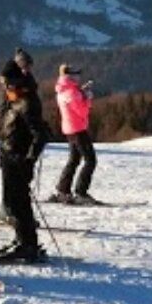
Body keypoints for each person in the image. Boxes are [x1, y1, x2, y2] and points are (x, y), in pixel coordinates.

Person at [0, 73, 51, 263]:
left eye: (9, 88)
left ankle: (28, 244)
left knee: (20, 203)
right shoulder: (16, 101)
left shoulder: (27, 104)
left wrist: (29, 160)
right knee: (13, 203)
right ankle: (22, 240)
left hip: (18, 160)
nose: (6, 91)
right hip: (10, 158)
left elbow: (40, 136)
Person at [51, 64, 98, 205]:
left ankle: (63, 189)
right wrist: (87, 98)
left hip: (70, 128)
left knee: (74, 159)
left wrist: (81, 93)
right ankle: (80, 192)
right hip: (78, 129)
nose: (78, 76)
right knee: (90, 160)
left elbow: (72, 102)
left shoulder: (64, 90)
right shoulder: (72, 93)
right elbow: (82, 111)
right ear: (69, 76)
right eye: (76, 74)